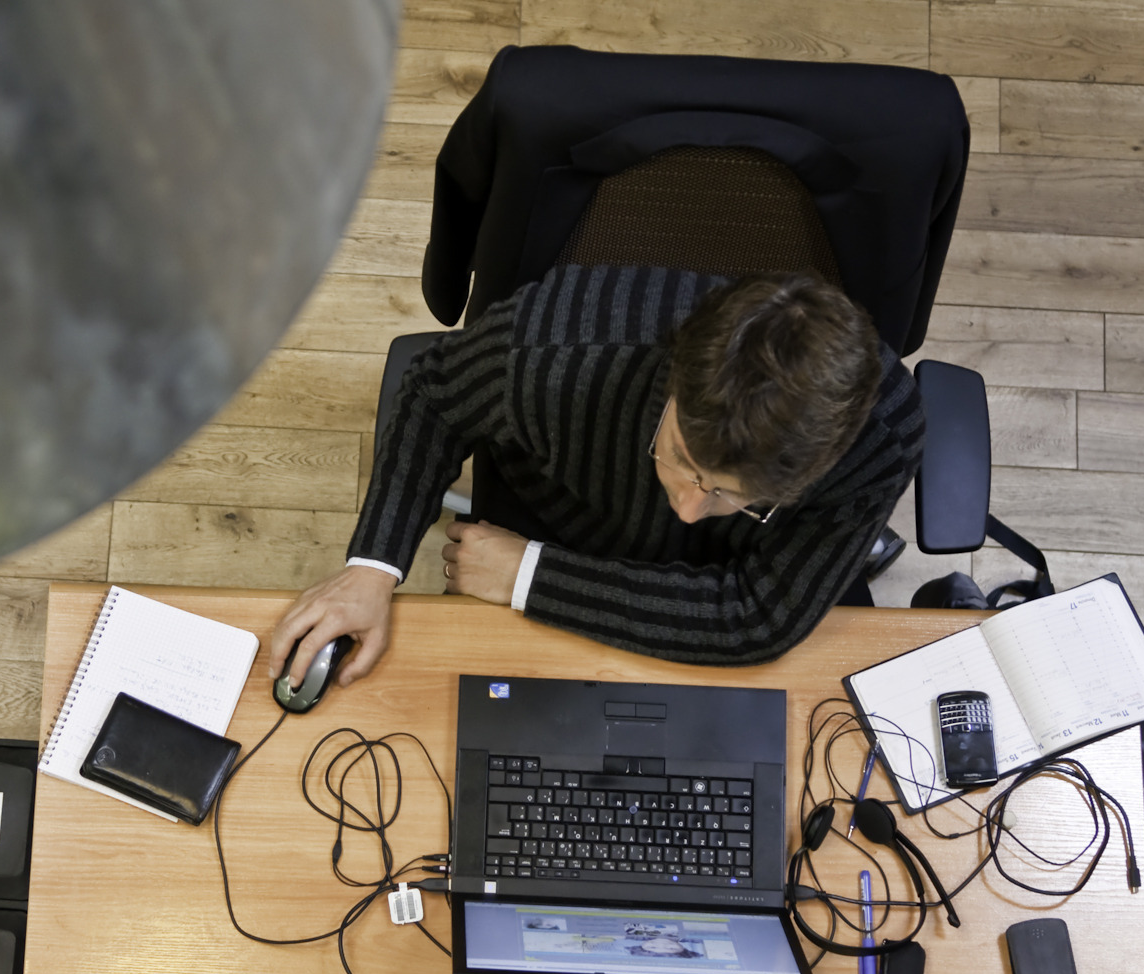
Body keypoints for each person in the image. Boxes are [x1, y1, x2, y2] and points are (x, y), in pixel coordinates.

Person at [267, 263, 926, 689]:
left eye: (732, 495)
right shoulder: (551, 351)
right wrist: (371, 568)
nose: (690, 509)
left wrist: (533, 577)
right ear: (673, 379)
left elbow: (758, 616)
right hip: (566, 515)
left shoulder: (883, 431)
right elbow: (434, 395)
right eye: (683, 460)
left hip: (709, 569)